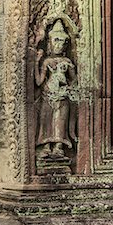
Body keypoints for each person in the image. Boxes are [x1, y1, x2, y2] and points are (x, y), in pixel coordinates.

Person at [35, 19, 77, 160]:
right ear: (50, 43)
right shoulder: (47, 62)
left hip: (62, 98)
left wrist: (67, 88)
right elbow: (39, 81)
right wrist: (36, 62)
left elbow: (74, 80)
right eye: (55, 42)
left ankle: (59, 147)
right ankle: (46, 145)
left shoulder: (67, 62)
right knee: (46, 121)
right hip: (47, 96)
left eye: (61, 43)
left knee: (60, 121)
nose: (58, 46)